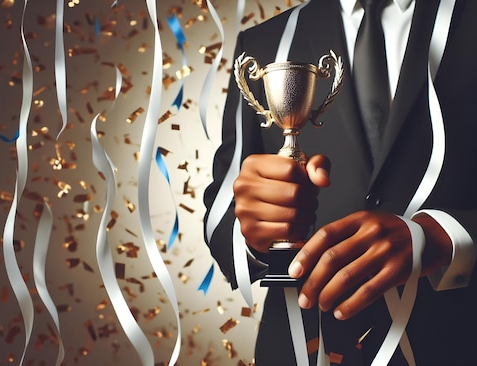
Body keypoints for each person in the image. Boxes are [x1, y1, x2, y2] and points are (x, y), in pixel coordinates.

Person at [203, 0, 477, 364]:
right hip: (302, 345)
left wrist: (447, 236)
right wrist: (252, 230)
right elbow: (221, 215)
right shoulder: (265, 41)